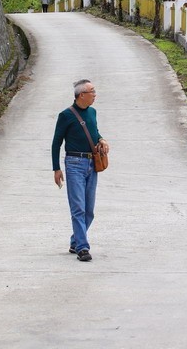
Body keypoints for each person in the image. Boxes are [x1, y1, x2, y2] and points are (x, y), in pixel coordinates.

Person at [52, 79, 110, 262]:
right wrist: (56, 168)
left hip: (92, 163)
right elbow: (56, 143)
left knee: (89, 210)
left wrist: (101, 139)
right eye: (92, 91)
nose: (95, 94)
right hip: (74, 163)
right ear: (81, 95)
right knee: (78, 208)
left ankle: (75, 241)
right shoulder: (66, 115)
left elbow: (94, 131)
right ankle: (83, 248)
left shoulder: (92, 112)